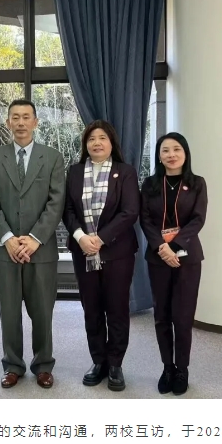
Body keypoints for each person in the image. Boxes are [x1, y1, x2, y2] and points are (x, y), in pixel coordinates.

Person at [0, 99, 65, 389]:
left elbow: (56, 202)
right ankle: (13, 365)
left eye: (26, 117)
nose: (20, 122)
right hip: (5, 250)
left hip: (41, 250)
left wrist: (34, 238)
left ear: (35, 122)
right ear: (8, 123)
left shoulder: (52, 157)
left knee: (42, 312)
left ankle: (43, 365)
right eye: (15, 117)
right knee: (9, 312)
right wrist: (7, 238)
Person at [63, 120, 140, 391]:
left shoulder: (125, 172)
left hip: (117, 253)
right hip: (82, 250)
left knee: (117, 309)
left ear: (111, 143)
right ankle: (99, 361)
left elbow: (130, 211)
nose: (96, 143)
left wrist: (100, 238)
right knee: (92, 309)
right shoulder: (74, 172)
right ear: (85, 144)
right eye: (91, 139)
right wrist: (81, 237)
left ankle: (116, 363)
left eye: (102, 138)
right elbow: (67, 210)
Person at [140, 132, 208, 396]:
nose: (171, 155)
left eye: (176, 149)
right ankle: (167, 367)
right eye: (165, 150)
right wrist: (162, 247)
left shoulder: (197, 183)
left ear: (185, 153)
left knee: (183, 316)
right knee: (162, 316)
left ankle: (182, 369)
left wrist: (175, 247)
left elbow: (198, 219)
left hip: (188, 258)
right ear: (159, 156)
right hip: (158, 257)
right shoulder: (149, 184)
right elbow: (145, 219)